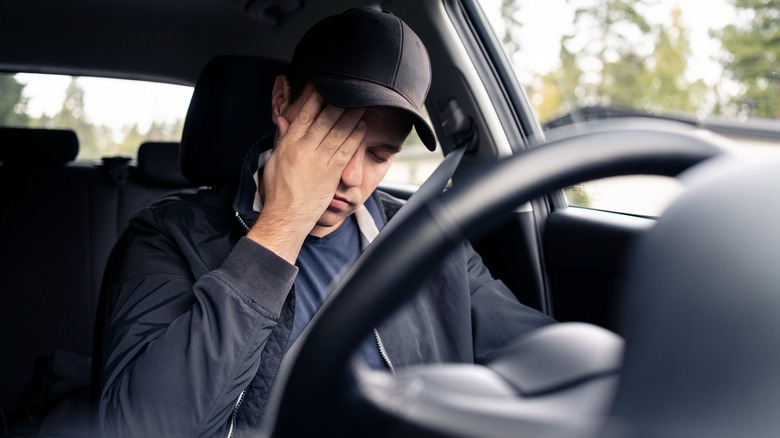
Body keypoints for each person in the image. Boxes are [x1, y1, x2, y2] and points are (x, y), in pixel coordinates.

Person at [98, 7, 555, 437]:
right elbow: (138, 425)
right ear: (282, 102)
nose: (352, 178)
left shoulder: (429, 238)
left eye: (379, 155)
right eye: (333, 140)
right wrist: (283, 223)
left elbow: (540, 356)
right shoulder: (168, 236)